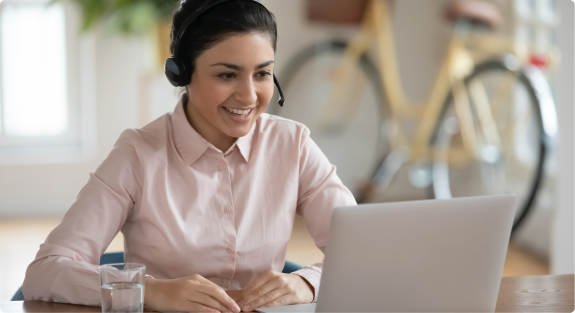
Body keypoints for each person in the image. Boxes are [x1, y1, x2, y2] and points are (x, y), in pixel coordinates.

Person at [22, 0, 356, 312]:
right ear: (181, 73)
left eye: (262, 73)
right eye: (227, 75)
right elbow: (45, 272)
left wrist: (307, 282)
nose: (249, 95)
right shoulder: (137, 155)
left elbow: (365, 254)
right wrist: (153, 291)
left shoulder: (293, 144)